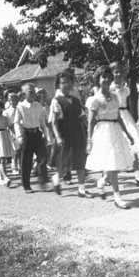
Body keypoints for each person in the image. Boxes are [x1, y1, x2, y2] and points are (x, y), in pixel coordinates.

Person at [86, 65, 134, 210]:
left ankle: (102, 181)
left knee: (115, 162)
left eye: (108, 77)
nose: (106, 80)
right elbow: (90, 122)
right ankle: (117, 197)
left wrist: (128, 134)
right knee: (112, 163)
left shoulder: (114, 96)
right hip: (103, 132)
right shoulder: (95, 99)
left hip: (115, 131)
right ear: (98, 80)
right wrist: (89, 140)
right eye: (103, 77)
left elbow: (118, 117)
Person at [50, 70, 92, 198]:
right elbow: (54, 122)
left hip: (78, 132)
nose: (66, 85)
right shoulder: (56, 101)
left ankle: (81, 189)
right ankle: (56, 178)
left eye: (69, 82)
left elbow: (83, 117)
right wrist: (57, 137)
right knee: (66, 161)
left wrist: (90, 132)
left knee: (81, 160)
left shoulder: (76, 100)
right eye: (63, 82)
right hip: (65, 133)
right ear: (58, 85)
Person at [109, 61, 139, 186]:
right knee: (113, 147)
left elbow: (125, 101)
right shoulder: (109, 88)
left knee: (134, 145)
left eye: (121, 71)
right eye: (116, 72)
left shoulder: (125, 89)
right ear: (111, 74)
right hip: (115, 117)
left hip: (125, 115)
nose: (119, 74)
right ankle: (106, 177)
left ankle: (138, 176)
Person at [14, 82, 51, 194]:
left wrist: (47, 135)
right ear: (24, 94)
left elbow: (42, 123)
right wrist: (19, 136)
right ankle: (26, 185)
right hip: (26, 135)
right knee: (26, 162)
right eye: (30, 92)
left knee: (43, 158)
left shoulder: (38, 106)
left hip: (37, 134)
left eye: (34, 91)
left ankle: (42, 181)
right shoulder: (20, 107)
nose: (33, 94)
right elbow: (16, 123)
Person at [3, 93, 21, 175]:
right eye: (12, 100)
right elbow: (6, 123)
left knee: (20, 150)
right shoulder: (6, 112)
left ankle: (21, 166)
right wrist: (12, 130)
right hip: (11, 132)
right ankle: (14, 167)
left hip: (20, 131)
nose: (14, 101)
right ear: (9, 101)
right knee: (15, 151)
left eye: (15, 100)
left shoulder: (20, 109)